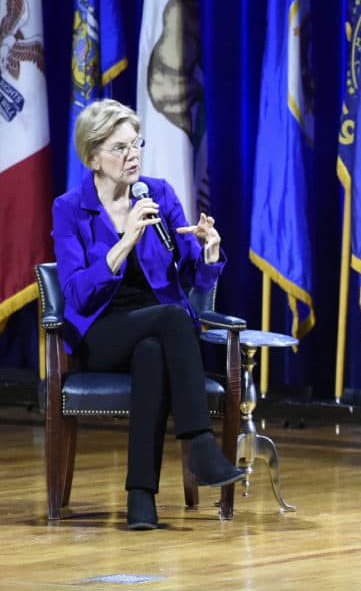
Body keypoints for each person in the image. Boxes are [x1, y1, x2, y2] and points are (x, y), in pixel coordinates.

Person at [52, 99, 244, 530]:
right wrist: (125, 241)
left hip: (154, 330)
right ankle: (199, 444)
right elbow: (76, 294)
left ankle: (141, 500)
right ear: (93, 158)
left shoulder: (159, 193)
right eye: (119, 148)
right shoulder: (69, 208)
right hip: (100, 331)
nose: (133, 154)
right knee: (173, 319)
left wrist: (210, 250)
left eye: (135, 143)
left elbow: (193, 272)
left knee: (154, 351)